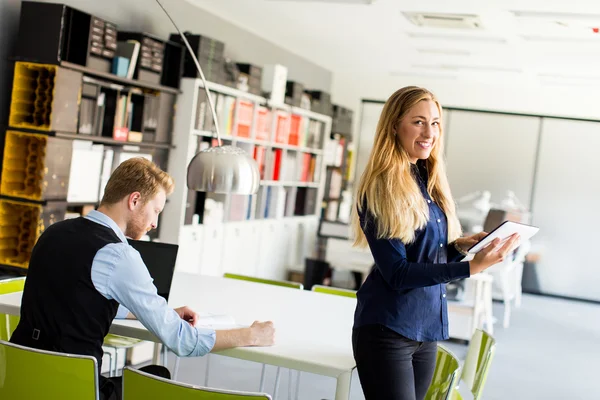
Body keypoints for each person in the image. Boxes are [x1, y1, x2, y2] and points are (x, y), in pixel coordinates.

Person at [11, 158, 275, 400]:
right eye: (156, 211)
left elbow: (77, 299)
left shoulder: (53, 232)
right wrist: (250, 334)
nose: (154, 224)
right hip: (75, 390)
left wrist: (155, 312)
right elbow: (182, 341)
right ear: (135, 200)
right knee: (157, 376)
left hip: (22, 380)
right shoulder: (119, 255)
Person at [350, 86, 519, 400]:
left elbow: (421, 252)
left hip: (425, 328)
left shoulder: (427, 181)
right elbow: (398, 273)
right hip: (387, 329)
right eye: (418, 122)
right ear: (394, 126)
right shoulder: (380, 187)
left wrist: (460, 247)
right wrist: (470, 268)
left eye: (436, 123)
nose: (429, 132)